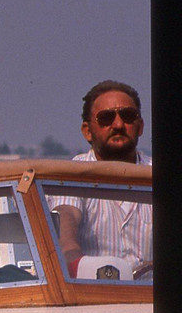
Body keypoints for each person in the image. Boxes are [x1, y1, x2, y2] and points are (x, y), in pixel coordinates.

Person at [50, 80, 152, 277]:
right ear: (87, 131)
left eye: (127, 116)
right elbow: (66, 218)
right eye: (106, 118)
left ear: (140, 127)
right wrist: (74, 259)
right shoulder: (73, 174)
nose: (118, 124)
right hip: (95, 292)